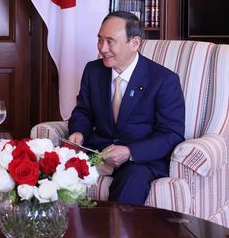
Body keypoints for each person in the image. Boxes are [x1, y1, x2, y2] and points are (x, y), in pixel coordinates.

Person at [68, 11, 185, 205]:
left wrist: (130, 151)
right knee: (52, 168)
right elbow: (84, 111)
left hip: (140, 160)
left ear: (135, 43)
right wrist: (78, 132)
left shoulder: (164, 80)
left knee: (132, 181)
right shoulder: (93, 71)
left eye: (110, 41)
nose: (102, 48)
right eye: (100, 40)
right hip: (99, 152)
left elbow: (171, 133)